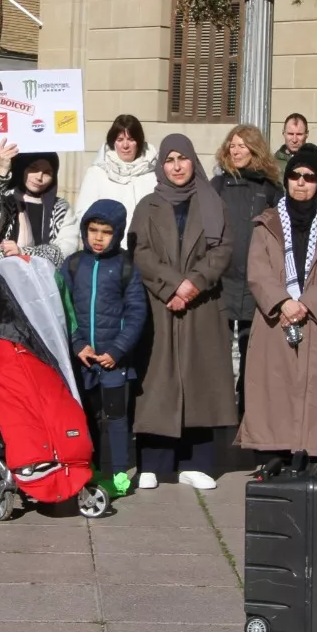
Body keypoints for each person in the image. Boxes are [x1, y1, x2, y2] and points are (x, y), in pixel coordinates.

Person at [237, 144, 317, 465]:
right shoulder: (267, 222)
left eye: (309, 177)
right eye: (295, 175)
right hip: (276, 320)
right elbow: (258, 270)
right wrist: (283, 303)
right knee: (275, 392)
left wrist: (306, 304)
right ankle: (276, 454)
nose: (301, 182)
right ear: (287, 180)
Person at [130, 134, 237, 490]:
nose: (176, 166)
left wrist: (193, 284)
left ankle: (197, 462)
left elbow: (222, 250)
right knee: (156, 382)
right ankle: (153, 462)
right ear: (161, 165)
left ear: (193, 161)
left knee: (199, 380)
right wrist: (173, 286)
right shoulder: (148, 205)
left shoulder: (212, 202)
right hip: (160, 304)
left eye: (183, 158)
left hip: (201, 305)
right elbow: (141, 252)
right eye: (169, 159)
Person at [65, 199, 148, 497]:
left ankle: (120, 476)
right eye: (93, 229)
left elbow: (137, 312)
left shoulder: (126, 267)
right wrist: (77, 345)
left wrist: (117, 350)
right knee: (86, 418)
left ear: (118, 233)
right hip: (84, 361)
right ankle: (91, 469)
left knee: (116, 419)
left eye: (106, 231)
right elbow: (65, 310)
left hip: (114, 362)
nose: (98, 237)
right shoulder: (73, 265)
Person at [210, 125, 281, 401]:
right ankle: (221, 400)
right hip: (222, 278)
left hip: (257, 280)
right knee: (220, 344)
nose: (236, 150)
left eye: (242, 145)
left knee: (253, 345)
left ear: (255, 149)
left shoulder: (270, 189)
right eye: (232, 145)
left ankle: (249, 402)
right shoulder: (216, 186)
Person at [58, 115, 158, 254]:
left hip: (145, 252)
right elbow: (84, 214)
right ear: (113, 142)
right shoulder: (97, 172)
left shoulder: (153, 174)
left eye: (131, 139)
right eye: (120, 139)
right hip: (107, 254)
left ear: (139, 141)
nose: (125, 145)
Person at [0, 140, 70, 264]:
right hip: (1, 276)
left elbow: (66, 251)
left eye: (47, 172)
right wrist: (1, 173)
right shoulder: (6, 200)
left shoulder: (60, 207)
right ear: (23, 168)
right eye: (33, 168)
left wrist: (23, 252)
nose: (39, 177)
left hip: (42, 278)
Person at [275, 113, 317, 208]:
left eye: (299, 134)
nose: (294, 139)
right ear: (283, 133)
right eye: (290, 134)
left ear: (306, 134)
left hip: (313, 217)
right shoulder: (272, 163)